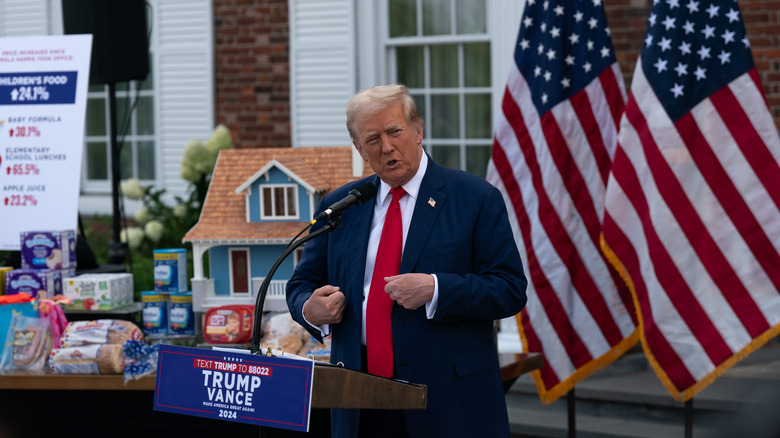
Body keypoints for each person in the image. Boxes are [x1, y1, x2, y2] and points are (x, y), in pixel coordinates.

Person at [286, 84, 527, 437]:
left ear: (417, 130)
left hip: (446, 400)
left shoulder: (475, 198)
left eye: (395, 132)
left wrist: (437, 288)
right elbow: (300, 284)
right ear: (359, 149)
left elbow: (509, 289)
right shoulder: (341, 206)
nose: (386, 147)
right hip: (358, 401)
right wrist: (309, 309)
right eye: (372, 139)